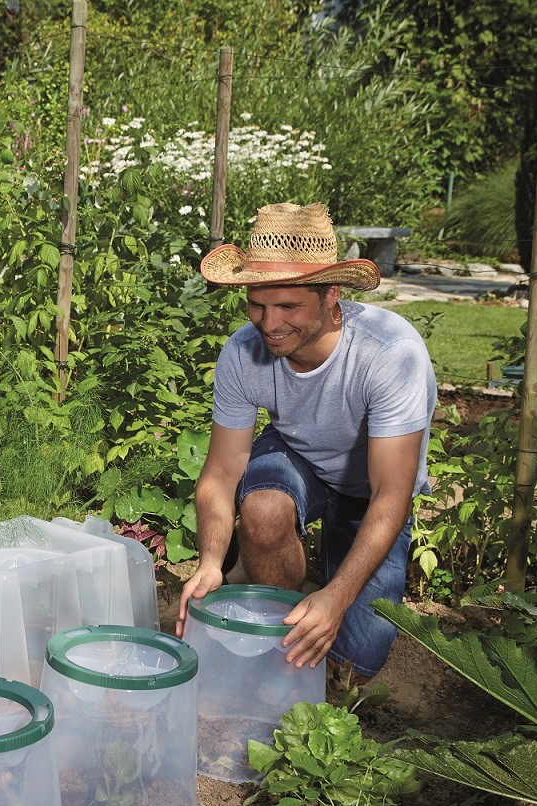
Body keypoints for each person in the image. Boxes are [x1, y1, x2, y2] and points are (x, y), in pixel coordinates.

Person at [174, 202, 437, 684]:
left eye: (288, 306)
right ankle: (278, 610)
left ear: (331, 294)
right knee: (263, 512)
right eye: (257, 303)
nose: (268, 323)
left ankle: (316, 592)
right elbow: (221, 473)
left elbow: (391, 495)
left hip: (371, 491)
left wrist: (337, 600)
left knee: (352, 666)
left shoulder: (390, 354)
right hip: (298, 454)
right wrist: (209, 559)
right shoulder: (242, 352)